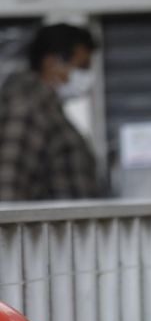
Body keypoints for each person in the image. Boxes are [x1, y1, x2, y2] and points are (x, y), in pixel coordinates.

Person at [0, 23, 100, 201]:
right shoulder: (25, 109)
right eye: (82, 66)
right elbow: (8, 187)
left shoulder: (48, 109)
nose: (87, 76)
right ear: (51, 62)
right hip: (48, 228)